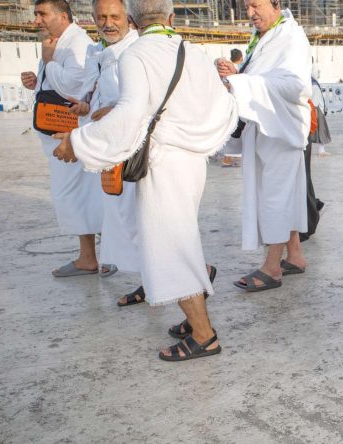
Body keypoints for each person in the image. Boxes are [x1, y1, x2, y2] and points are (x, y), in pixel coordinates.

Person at [52, 0, 238, 361]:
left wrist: (78, 142)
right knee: (183, 239)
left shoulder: (135, 55)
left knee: (171, 246)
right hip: (192, 163)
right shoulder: (195, 53)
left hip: (164, 165)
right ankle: (195, 318)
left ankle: (204, 335)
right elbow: (223, 105)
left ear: (134, 21)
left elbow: (132, 116)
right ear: (172, 18)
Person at [217, 0, 311, 291]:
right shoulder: (268, 37)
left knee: (275, 198)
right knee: (285, 194)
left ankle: (272, 267)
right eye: (246, 7)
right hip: (269, 128)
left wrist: (242, 82)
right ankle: (294, 256)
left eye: (255, 5)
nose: (250, 14)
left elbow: (296, 85)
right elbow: (266, 78)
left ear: (276, 4)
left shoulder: (291, 37)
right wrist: (238, 75)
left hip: (280, 129)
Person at [20, 0, 107, 278]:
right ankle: (89, 256)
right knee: (75, 196)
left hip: (71, 133)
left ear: (63, 15)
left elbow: (74, 85)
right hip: (58, 132)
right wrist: (39, 79)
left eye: (42, 14)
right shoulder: (58, 42)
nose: (37, 20)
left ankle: (93, 257)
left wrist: (48, 62)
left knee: (79, 195)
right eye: (36, 14)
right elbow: (59, 81)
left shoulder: (76, 44)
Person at [66, 0, 144, 305]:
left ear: (128, 19)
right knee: (123, 220)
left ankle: (193, 274)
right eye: (101, 17)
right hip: (111, 150)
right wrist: (88, 107)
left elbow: (145, 99)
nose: (107, 23)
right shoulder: (100, 51)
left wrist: (114, 109)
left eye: (114, 17)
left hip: (134, 151)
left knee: (139, 220)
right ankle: (149, 281)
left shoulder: (137, 51)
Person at [311, 76, 332, 157]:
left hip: (316, 107)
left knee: (320, 130)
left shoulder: (311, 80)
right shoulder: (312, 82)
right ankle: (321, 151)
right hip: (315, 108)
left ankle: (321, 150)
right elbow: (315, 98)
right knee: (320, 130)